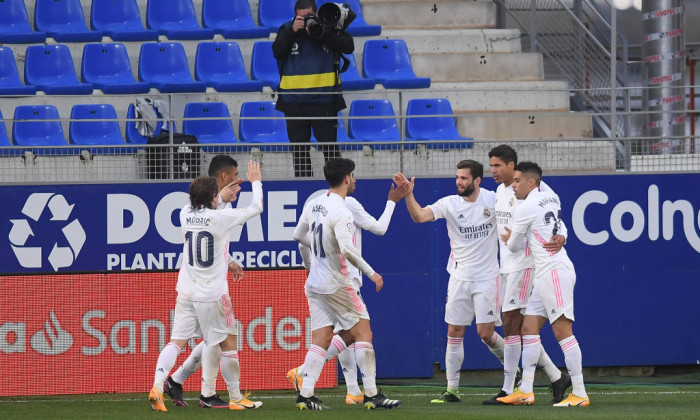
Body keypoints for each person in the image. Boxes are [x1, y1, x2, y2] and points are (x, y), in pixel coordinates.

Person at [148, 161, 264, 412]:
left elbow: (204, 221)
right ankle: (235, 397)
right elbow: (257, 207)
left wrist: (229, 259)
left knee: (176, 342)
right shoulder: (220, 216)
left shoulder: (183, 213)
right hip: (211, 293)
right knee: (228, 341)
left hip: (186, 289)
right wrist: (256, 180)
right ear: (213, 196)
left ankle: (159, 384)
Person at [292, 158, 402, 410]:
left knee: (321, 337)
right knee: (364, 332)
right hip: (338, 283)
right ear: (346, 179)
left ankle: (306, 395)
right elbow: (348, 250)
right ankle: (372, 394)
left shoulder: (315, 204)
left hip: (315, 283)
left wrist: (320, 251)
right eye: (353, 176)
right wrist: (372, 273)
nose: (355, 180)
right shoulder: (343, 211)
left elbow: (298, 235)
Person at [393, 160, 506, 404]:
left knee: (486, 334)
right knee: (454, 331)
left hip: (487, 277)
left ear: (477, 181)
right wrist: (408, 195)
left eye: (464, 178)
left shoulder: (494, 199)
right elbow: (419, 217)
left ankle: (512, 365)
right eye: (457, 177)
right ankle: (452, 390)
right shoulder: (449, 203)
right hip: (459, 277)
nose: (459, 182)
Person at [497, 162, 589, 407]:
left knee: (563, 332)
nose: (513, 186)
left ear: (530, 182)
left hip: (553, 272)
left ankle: (579, 392)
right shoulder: (552, 196)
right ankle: (526, 389)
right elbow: (559, 225)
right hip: (547, 272)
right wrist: (563, 236)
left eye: (517, 181)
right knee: (528, 328)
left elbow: (514, 246)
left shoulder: (524, 207)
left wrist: (508, 237)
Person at [485, 145, 571, 404]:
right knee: (521, 327)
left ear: (513, 166)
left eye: (498, 165)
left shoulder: (539, 189)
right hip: (507, 266)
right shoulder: (501, 192)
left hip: (526, 264)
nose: (493, 171)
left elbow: (557, 217)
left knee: (512, 322)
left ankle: (509, 388)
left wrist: (563, 235)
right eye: (491, 166)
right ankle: (556, 376)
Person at [272, 0, 354, 177]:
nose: (306, 20)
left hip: (324, 103)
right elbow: (277, 52)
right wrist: (292, 32)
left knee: (331, 154)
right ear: (295, 16)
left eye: (310, 16)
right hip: (293, 104)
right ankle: (304, 189)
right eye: (301, 17)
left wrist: (321, 32)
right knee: (300, 154)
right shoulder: (287, 29)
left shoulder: (326, 28)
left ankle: (337, 189)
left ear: (317, 14)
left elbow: (348, 46)